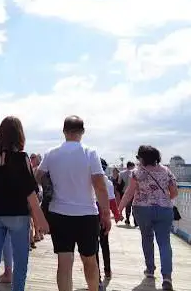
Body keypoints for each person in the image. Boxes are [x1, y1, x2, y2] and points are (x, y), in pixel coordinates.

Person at [36, 115, 111, 291]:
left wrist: (50, 185)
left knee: (64, 262)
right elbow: (100, 186)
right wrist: (106, 215)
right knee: (89, 260)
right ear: (82, 132)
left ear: (64, 131)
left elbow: (38, 176)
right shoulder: (90, 153)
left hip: (59, 213)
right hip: (87, 215)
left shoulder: (51, 153)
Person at [0, 116, 49, 291]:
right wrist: (41, 220)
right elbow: (30, 192)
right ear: (19, 135)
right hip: (17, 215)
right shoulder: (21, 157)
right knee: (21, 263)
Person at [119, 145, 178, 291]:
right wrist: (162, 200)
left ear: (142, 158)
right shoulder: (166, 171)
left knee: (147, 238)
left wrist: (119, 210)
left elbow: (129, 193)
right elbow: (174, 192)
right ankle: (167, 278)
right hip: (164, 210)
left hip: (142, 209)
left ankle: (150, 270)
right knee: (164, 242)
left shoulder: (137, 173)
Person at [97, 159, 122, 284]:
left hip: (89, 216)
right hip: (103, 218)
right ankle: (107, 270)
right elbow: (112, 201)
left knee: (93, 247)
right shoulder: (108, 182)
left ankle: (97, 277)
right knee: (104, 244)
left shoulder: (87, 179)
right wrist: (117, 215)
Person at [120, 161, 137, 226]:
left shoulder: (121, 173)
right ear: (131, 166)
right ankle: (135, 221)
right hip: (134, 191)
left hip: (125, 192)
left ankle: (127, 219)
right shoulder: (135, 172)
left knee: (127, 207)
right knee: (134, 206)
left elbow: (119, 183)